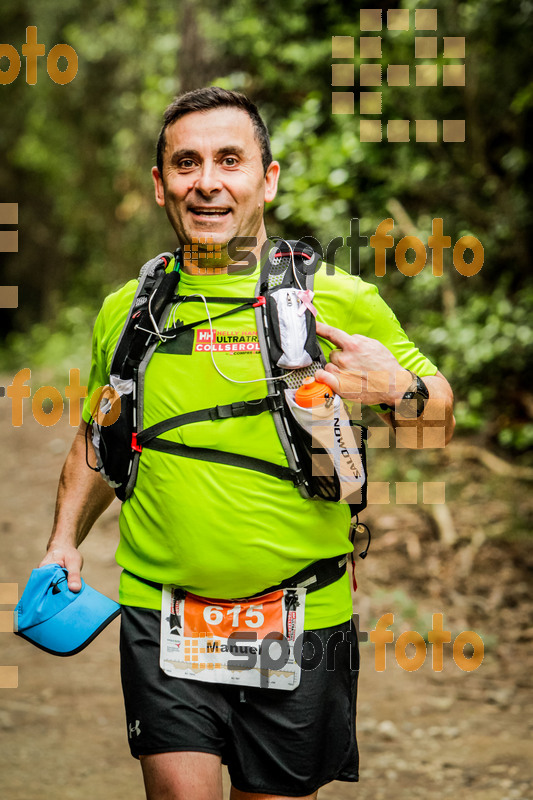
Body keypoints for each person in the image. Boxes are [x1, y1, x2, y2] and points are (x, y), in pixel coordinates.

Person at [39, 87, 454, 800]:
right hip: (161, 614)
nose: (207, 181)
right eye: (186, 163)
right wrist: (63, 540)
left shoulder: (337, 298)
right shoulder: (129, 310)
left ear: (267, 178)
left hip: (301, 617)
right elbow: (99, 434)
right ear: (159, 184)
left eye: (229, 160)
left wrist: (391, 389)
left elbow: (436, 422)